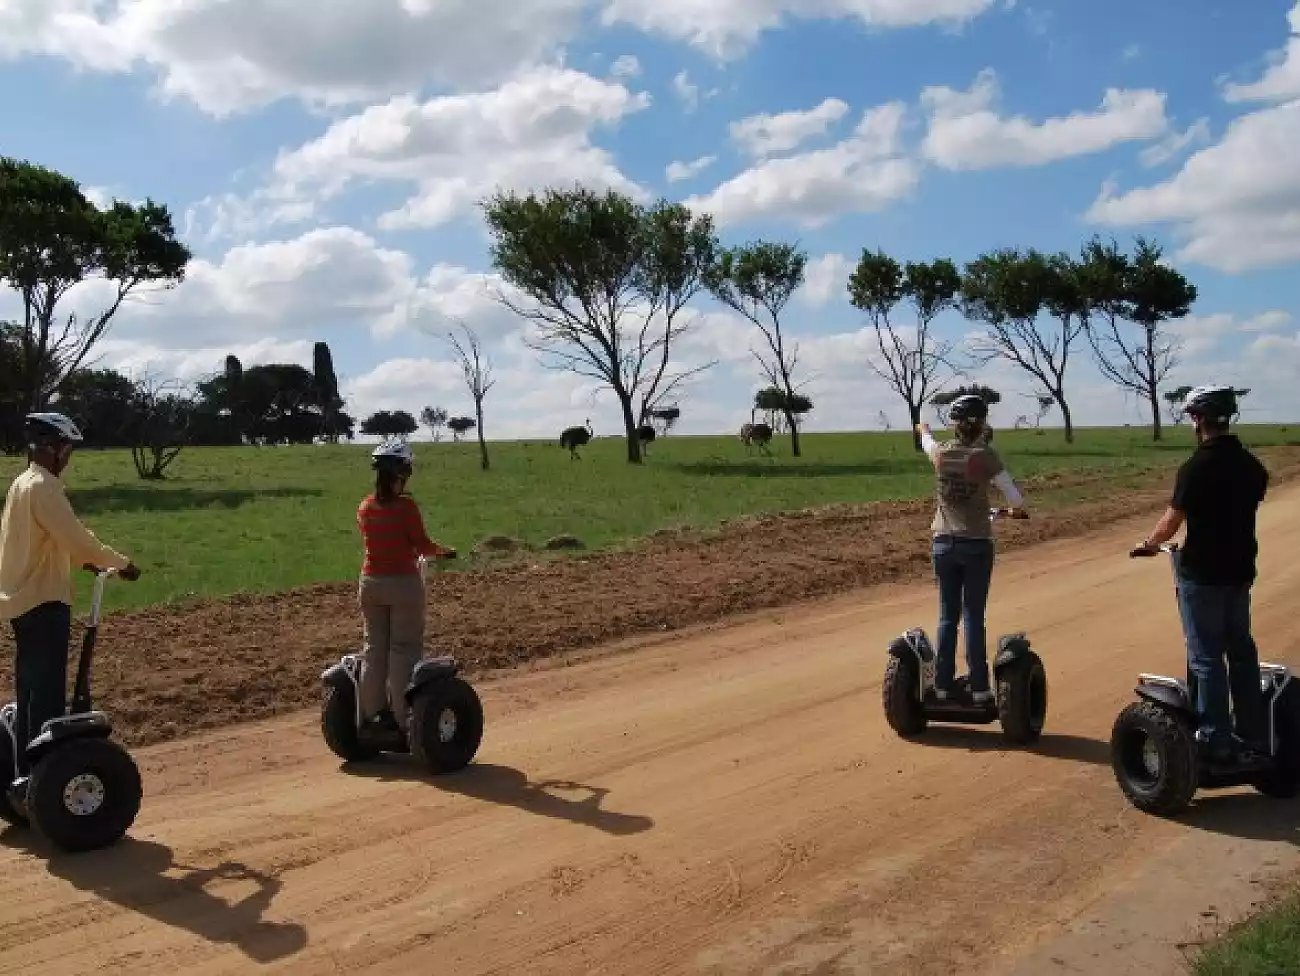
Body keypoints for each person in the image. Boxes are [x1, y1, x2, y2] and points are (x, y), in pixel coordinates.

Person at [1132, 385, 1269, 764]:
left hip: (1203, 572)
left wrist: (1150, 543)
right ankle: (1252, 734)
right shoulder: (1251, 465)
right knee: (1240, 651)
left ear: (1198, 419)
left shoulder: (1196, 467)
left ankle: (1215, 739)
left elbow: (1172, 520)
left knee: (1206, 657)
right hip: (1240, 569)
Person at [0, 412, 140, 777]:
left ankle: (24, 772)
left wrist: (85, 562)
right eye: (68, 449)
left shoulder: (21, 484)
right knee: (47, 695)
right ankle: (44, 776)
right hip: (44, 601)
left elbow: (47, 540)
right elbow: (76, 537)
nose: (68, 458)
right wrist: (121, 563)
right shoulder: (44, 487)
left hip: (19, 599)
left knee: (30, 691)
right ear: (54, 449)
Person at [917, 395, 1027, 704]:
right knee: (973, 617)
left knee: (946, 617)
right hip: (976, 543)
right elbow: (1016, 499)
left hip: (943, 543)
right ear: (982, 423)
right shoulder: (985, 456)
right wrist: (1011, 509)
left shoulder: (941, 454)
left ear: (954, 424)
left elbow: (927, 442)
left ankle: (942, 686)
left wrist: (923, 430)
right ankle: (979, 688)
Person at [356, 438, 454, 734]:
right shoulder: (406, 507)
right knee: (403, 650)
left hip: (370, 584)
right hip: (402, 585)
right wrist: (445, 552)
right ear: (402, 473)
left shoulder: (365, 507)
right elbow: (421, 545)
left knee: (374, 649)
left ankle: (373, 715)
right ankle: (404, 720)